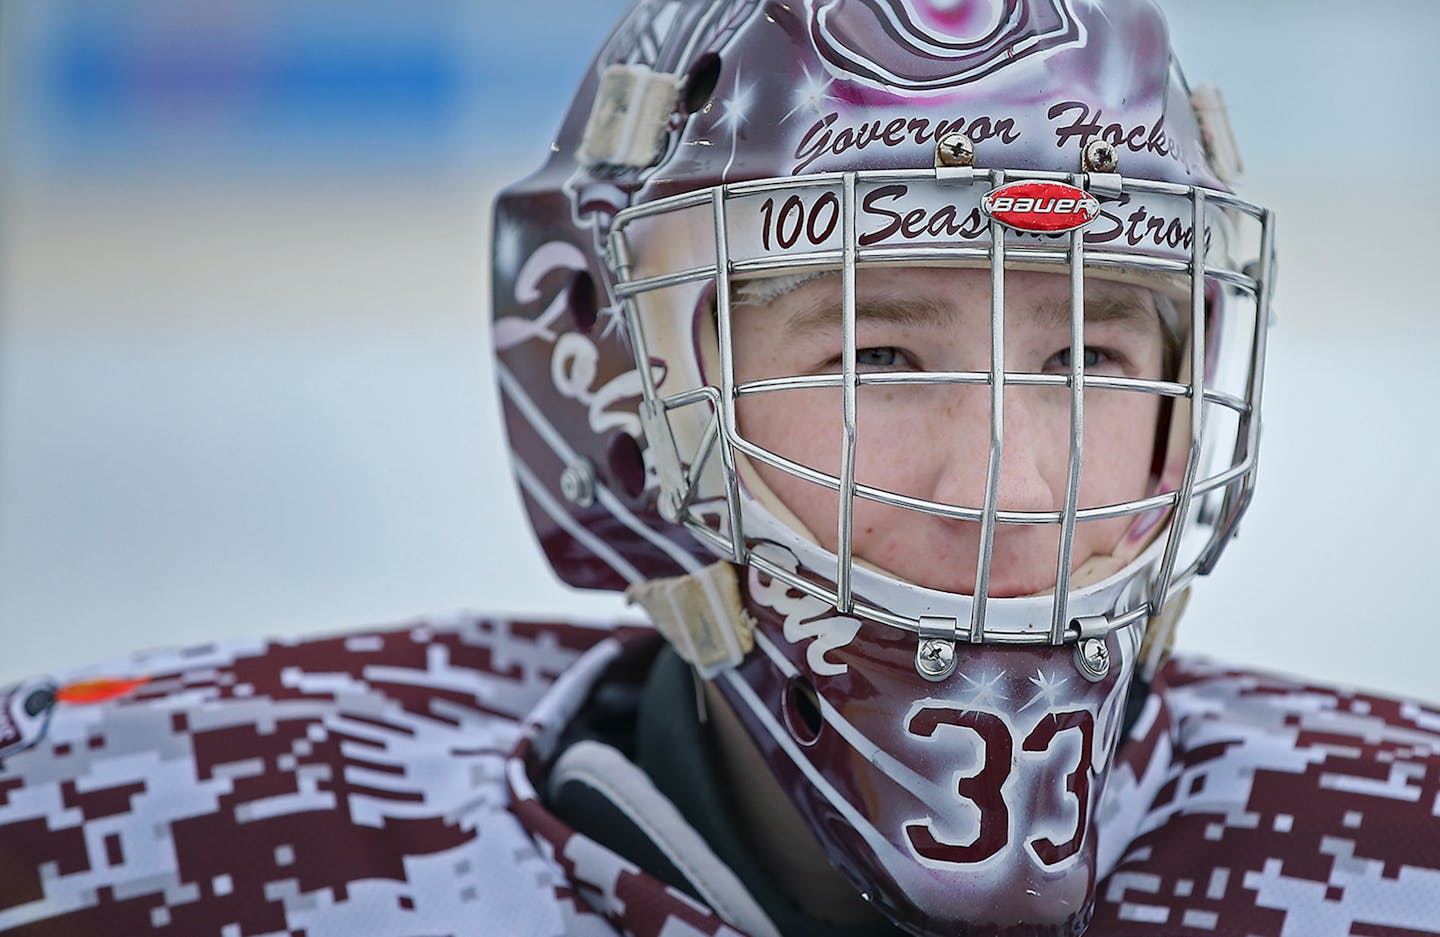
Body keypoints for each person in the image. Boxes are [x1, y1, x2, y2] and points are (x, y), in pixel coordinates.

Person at [1, 1, 1437, 935]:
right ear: (618, 396)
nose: (1013, 481)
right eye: (873, 353)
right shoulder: (176, 851)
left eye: (1092, 356)